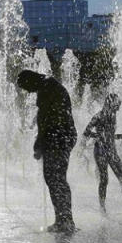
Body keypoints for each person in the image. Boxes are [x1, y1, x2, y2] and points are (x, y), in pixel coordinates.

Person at [17, 70, 77, 233]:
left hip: (58, 136)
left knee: (55, 178)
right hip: (62, 135)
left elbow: (47, 119)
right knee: (56, 178)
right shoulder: (49, 84)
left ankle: (64, 220)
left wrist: (39, 142)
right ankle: (64, 219)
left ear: (31, 80)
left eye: (26, 87)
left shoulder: (47, 88)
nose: (28, 92)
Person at [82, 93, 122, 218]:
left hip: (112, 150)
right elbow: (86, 132)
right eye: (117, 105)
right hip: (100, 151)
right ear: (110, 104)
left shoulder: (113, 116)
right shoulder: (98, 116)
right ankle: (102, 209)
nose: (118, 108)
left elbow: (110, 136)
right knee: (104, 180)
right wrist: (99, 136)